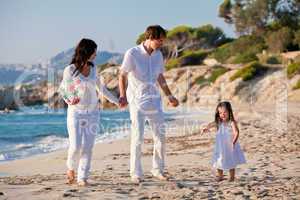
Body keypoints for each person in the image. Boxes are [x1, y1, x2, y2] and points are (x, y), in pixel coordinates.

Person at [119, 25, 179, 184]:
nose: (161, 43)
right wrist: (122, 95)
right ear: (150, 38)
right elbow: (122, 75)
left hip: (155, 101)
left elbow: (160, 77)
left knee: (160, 137)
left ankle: (157, 170)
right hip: (137, 101)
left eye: (162, 41)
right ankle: (136, 173)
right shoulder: (132, 53)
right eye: (159, 40)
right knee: (138, 137)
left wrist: (170, 96)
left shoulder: (159, 55)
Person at [59, 38, 119, 186]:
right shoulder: (70, 70)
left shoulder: (94, 69)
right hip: (76, 112)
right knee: (76, 146)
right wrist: (69, 100)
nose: (95, 55)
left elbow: (102, 89)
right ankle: (70, 167)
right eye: (94, 52)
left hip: (93, 112)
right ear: (86, 51)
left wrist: (117, 101)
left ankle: (82, 177)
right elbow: (63, 90)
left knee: (88, 147)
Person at [201, 101, 246, 182]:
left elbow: (236, 132)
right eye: (220, 113)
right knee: (219, 160)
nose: (223, 114)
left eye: (225, 112)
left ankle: (232, 177)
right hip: (220, 146)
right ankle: (220, 176)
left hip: (229, 145)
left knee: (231, 160)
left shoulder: (232, 122)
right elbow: (212, 124)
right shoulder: (219, 122)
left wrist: (233, 142)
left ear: (229, 111)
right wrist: (206, 128)